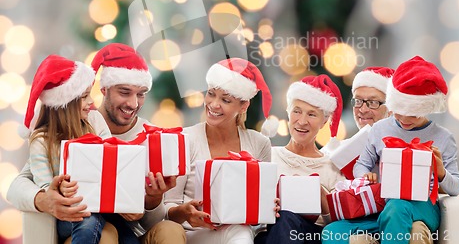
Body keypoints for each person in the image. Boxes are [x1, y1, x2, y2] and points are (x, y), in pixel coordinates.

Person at [8, 43, 186, 244]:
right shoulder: (55, 135)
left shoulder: (151, 138)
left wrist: (149, 201)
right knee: (103, 232)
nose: (133, 104)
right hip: (82, 221)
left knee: (158, 231)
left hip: (121, 223)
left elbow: (149, 220)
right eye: (125, 92)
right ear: (104, 89)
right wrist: (47, 198)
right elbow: (17, 185)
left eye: (141, 94)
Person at [322, 56, 459, 244]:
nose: (404, 119)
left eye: (412, 113)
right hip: (382, 207)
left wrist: (441, 173)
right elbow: (360, 166)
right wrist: (365, 176)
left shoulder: (444, 137)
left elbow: (457, 188)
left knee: (397, 207)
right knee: (332, 232)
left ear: (427, 108)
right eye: (398, 110)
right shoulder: (380, 129)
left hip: (423, 208)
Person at [23, 54, 138, 244]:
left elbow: (112, 159)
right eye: (84, 97)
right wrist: (60, 188)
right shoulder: (41, 141)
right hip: (70, 213)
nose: (91, 102)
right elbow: (45, 188)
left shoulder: (94, 120)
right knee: (87, 221)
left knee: (128, 239)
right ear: (65, 104)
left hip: (104, 206)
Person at [164, 57, 276, 244]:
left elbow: (260, 220)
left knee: (239, 231)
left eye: (225, 100)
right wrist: (185, 212)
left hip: (240, 233)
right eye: (211, 94)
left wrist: (267, 207)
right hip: (191, 234)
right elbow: (168, 207)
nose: (214, 104)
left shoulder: (259, 143)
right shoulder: (185, 139)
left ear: (243, 106)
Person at [254, 74, 346, 244]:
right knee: (280, 222)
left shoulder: (332, 167)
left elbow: (339, 229)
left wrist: (320, 194)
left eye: (312, 115)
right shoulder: (268, 156)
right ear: (289, 114)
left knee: (286, 218)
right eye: (297, 111)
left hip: (311, 237)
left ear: (324, 121)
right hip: (270, 234)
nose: (302, 121)